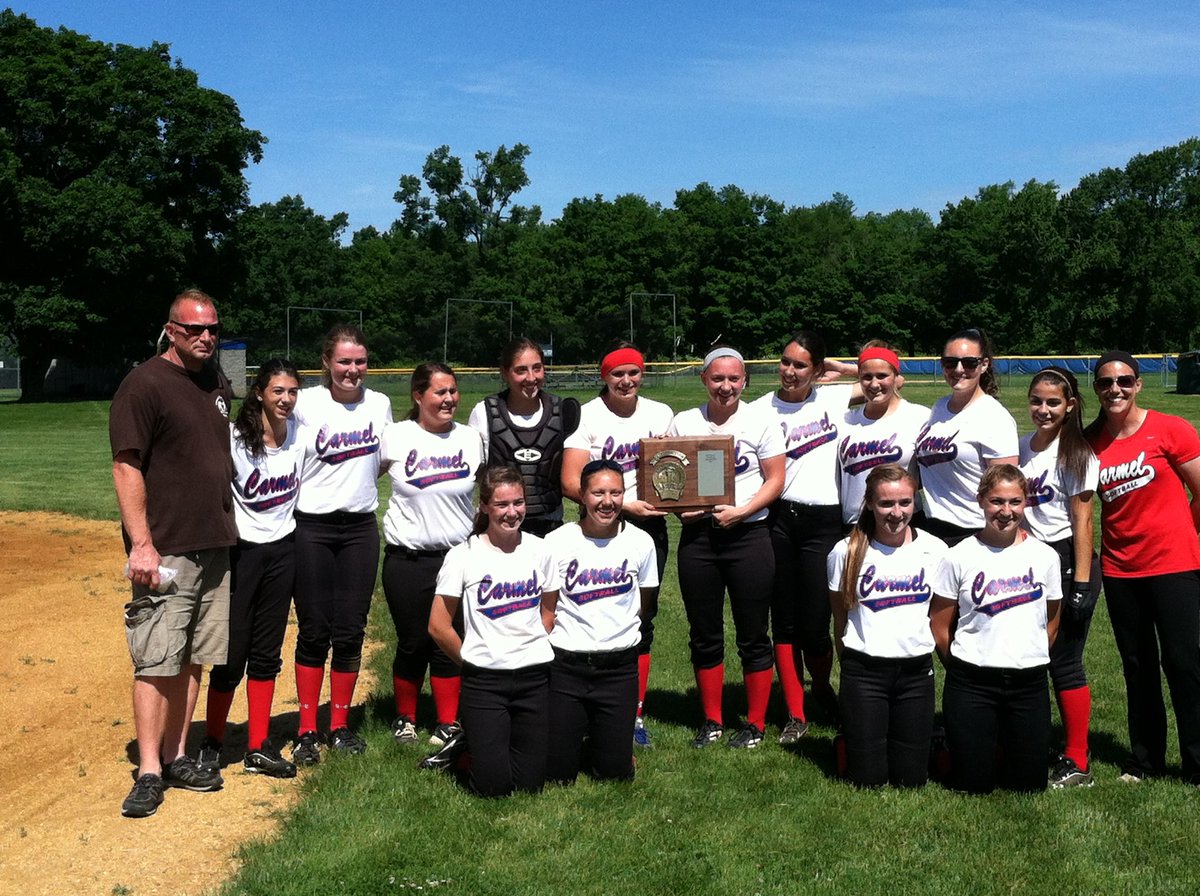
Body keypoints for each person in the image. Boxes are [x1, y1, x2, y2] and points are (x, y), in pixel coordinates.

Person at [110, 288, 236, 817]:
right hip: (167, 549)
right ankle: (149, 770)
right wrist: (141, 544)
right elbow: (126, 464)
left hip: (214, 543)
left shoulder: (215, 379)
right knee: (156, 659)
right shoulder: (144, 385)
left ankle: (179, 754)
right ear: (170, 330)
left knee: (192, 659)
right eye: (193, 330)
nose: (205, 338)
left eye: (212, 329)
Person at [1085, 350, 1200, 784]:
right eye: (1105, 382)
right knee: (1137, 667)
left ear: (1138, 384)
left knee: (1186, 664)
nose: (1115, 389)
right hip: (1121, 570)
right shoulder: (1091, 441)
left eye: (1124, 381)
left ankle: (1196, 763)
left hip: (1174, 567)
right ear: (1096, 388)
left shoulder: (1170, 429)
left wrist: (1180, 533)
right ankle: (1144, 761)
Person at [669, 346, 785, 749]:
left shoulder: (760, 420)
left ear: (745, 381)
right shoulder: (684, 422)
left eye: (734, 378)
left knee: (753, 632)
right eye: (717, 378)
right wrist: (680, 511)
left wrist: (742, 511)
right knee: (704, 631)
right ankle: (712, 719)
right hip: (700, 538)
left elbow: (775, 479)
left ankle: (755, 723)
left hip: (748, 534)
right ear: (704, 380)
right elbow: (668, 477)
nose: (726, 386)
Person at [560, 343, 673, 747]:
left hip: (648, 529)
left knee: (641, 619)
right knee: (586, 611)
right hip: (597, 524)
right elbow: (571, 480)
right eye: (617, 374)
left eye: (634, 373)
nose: (626, 381)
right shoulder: (588, 415)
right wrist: (622, 502)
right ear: (603, 377)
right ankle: (581, 705)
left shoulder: (661, 414)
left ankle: (633, 712)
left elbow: (680, 471)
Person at [290, 324, 392, 765]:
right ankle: (307, 729)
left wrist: (354, 489)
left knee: (350, 630)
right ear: (326, 364)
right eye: (344, 361)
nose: (353, 370)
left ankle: (340, 726)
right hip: (310, 527)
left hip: (359, 529)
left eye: (360, 361)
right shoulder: (306, 403)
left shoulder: (380, 404)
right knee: (315, 629)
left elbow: (382, 461)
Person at [199, 358, 302, 779]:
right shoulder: (234, 438)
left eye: (293, 391)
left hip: (284, 552)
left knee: (267, 652)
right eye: (278, 390)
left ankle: (259, 745)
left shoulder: (299, 433)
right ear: (259, 392)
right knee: (231, 653)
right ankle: (213, 740)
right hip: (243, 554)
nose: (286, 399)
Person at [930, 465, 1062, 794]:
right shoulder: (957, 556)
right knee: (972, 785)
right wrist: (962, 665)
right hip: (972, 681)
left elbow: (1053, 618)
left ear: (1026, 503)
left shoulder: (1045, 556)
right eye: (996, 502)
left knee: (1028, 786)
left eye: (1015, 502)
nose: (1005, 512)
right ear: (980, 501)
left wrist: (1029, 652)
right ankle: (950, 744)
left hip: (1028, 682)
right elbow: (939, 624)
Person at [428, 466, 556, 797]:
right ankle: (463, 748)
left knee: (530, 786)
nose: (512, 513)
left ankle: (490, 741)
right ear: (484, 506)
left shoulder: (541, 550)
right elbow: (438, 625)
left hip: (533, 678)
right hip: (485, 681)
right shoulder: (463, 556)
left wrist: (528, 645)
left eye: (518, 503)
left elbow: (549, 610)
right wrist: (471, 662)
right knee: (492, 788)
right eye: (502, 505)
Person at [752, 331, 854, 741]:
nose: (790, 371)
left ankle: (823, 686)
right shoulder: (761, 408)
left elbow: (892, 379)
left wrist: (840, 369)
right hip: (779, 517)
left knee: (816, 620)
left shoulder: (833, 398)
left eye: (801, 365)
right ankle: (796, 712)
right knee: (785, 619)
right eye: (785, 361)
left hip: (825, 519)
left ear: (817, 368)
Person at [380, 363, 484, 748]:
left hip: (457, 556)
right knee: (413, 641)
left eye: (453, 391)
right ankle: (405, 718)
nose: (448, 399)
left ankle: (447, 721)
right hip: (408, 558)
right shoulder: (396, 436)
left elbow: (483, 490)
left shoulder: (470, 438)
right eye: (440, 392)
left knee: (450, 638)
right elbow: (362, 478)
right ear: (418, 396)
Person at [827, 464, 948, 787]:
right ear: (868, 503)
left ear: (915, 502)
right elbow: (840, 618)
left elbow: (940, 615)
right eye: (886, 504)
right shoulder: (846, 552)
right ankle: (850, 739)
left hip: (915, 673)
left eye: (905, 503)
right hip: (864, 672)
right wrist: (850, 663)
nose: (896, 513)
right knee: (868, 779)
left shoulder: (935, 550)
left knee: (912, 779)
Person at [544, 458, 660, 783]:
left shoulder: (641, 542)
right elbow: (548, 608)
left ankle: (613, 744)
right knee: (557, 775)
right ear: (582, 495)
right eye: (598, 493)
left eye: (616, 493)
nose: (607, 502)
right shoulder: (557, 543)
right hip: (566, 667)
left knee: (614, 775)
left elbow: (644, 603)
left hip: (618, 670)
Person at [1018, 367, 1101, 789]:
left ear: (1069, 407)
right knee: (1036, 655)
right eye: (1037, 401)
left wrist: (1082, 584)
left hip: (1068, 558)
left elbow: (1083, 521)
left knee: (1064, 661)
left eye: (1053, 402)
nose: (1044, 409)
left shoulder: (1077, 453)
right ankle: (1052, 743)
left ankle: (1079, 760)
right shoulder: (1022, 447)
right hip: (1030, 561)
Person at [467, 338, 580, 537]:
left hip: (549, 528)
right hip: (500, 529)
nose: (531, 378)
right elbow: (475, 475)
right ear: (505, 372)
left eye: (537, 368)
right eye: (521, 370)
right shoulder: (484, 412)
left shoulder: (562, 411)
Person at [915, 327, 1018, 545]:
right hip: (931, 529)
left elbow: (1006, 488)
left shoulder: (994, 417)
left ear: (984, 364)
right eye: (950, 362)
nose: (959, 369)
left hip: (972, 532)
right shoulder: (939, 407)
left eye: (969, 362)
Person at [837, 343, 929, 526]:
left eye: (882, 376)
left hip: (903, 521)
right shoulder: (845, 420)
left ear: (896, 377)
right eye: (866, 377)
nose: (874, 384)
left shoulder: (920, 417)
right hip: (855, 524)